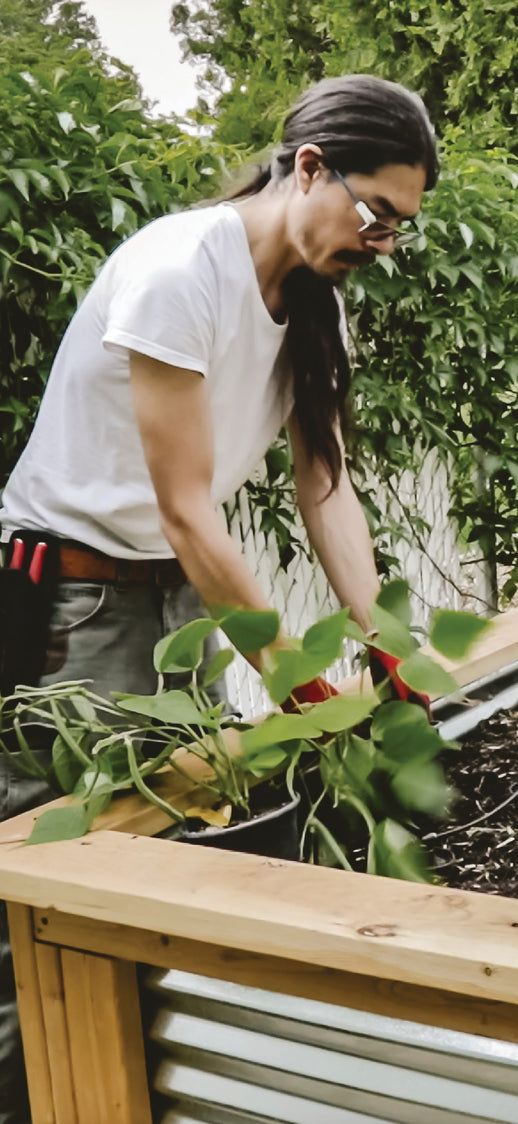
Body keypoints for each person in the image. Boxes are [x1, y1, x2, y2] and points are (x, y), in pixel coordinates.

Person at [0, 73, 439, 1123]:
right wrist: (295, 684)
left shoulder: (314, 301)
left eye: (401, 229)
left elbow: (325, 484)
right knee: (45, 894)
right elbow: (191, 513)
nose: (380, 239)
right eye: (373, 210)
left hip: (171, 611)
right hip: (74, 610)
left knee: (165, 862)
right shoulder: (176, 270)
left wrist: (384, 650)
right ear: (308, 167)